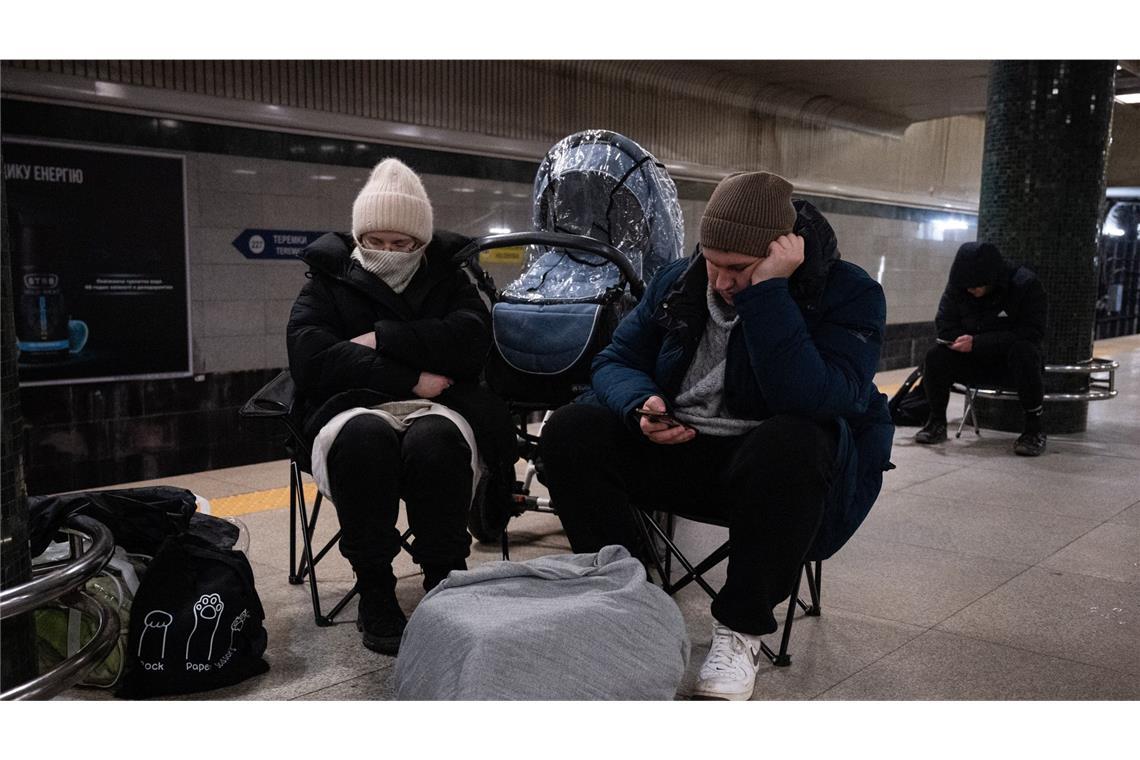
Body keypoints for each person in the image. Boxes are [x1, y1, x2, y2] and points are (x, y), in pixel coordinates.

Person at [540, 171, 894, 700]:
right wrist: (642, 405)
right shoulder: (681, 279)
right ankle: (627, 599)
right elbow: (616, 361)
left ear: (783, 252)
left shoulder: (849, 295)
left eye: (739, 268)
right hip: (678, 445)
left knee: (797, 439)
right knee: (572, 428)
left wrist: (770, 293)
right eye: (712, 261)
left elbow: (816, 399)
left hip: (769, 477)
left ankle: (741, 630)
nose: (722, 281)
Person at [286, 158, 514, 655]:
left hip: (440, 408)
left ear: (422, 244)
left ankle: (444, 583)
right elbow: (310, 355)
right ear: (358, 236)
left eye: (402, 244)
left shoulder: (448, 277)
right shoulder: (327, 277)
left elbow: (472, 341)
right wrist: (409, 375)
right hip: (354, 407)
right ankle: (375, 588)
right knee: (363, 442)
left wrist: (381, 337)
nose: (387, 253)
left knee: (436, 444)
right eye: (375, 241)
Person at [914, 241, 1048, 456]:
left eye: (977, 287)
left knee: (1025, 352)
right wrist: (958, 341)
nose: (971, 291)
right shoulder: (959, 288)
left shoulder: (1025, 285)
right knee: (936, 356)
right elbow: (945, 324)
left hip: (1010, 363)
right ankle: (937, 421)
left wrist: (978, 342)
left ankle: (1034, 429)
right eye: (967, 288)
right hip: (972, 360)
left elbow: (1031, 332)